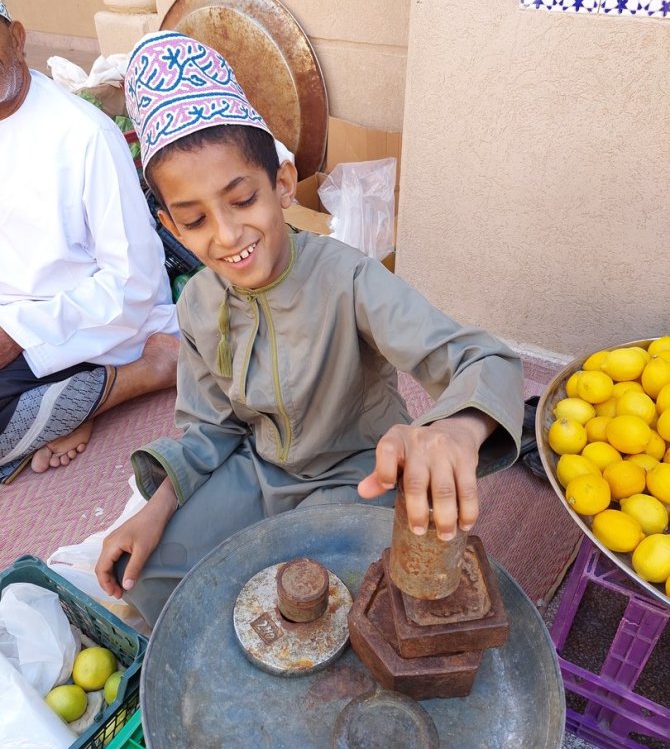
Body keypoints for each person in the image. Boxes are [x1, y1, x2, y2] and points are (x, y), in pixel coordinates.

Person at [95, 31, 524, 627]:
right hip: (257, 471)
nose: (224, 235)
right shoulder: (196, 303)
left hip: (358, 475)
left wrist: (458, 426)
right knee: (152, 579)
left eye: (241, 200)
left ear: (281, 183)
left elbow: (484, 361)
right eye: (193, 221)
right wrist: (157, 504)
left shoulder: (347, 278)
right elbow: (209, 430)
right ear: (170, 224)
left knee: (336, 603)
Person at [0, 0, 180, 483]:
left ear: (17, 37)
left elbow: (134, 285)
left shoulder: (83, 135)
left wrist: (18, 332)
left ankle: (144, 373)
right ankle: (71, 407)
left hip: (87, 324)